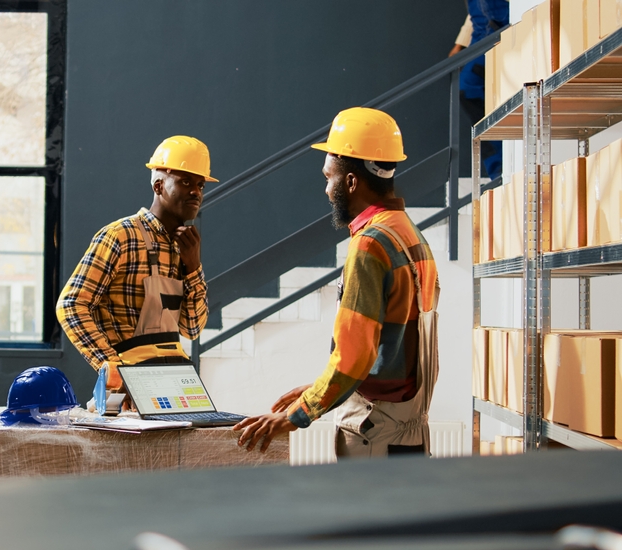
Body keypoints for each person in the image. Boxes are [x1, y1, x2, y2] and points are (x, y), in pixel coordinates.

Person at [234, 108, 441, 458]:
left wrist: (295, 415)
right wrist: (316, 389)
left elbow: (354, 356)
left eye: (329, 177)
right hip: (409, 434)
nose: (327, 189)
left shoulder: (370, 244)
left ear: (350, 182)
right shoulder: (408, 233)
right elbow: (392, 350)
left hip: (373, 436)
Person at [56, 136, 214, 412]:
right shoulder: (120, 236)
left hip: (176, 378)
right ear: (158, 185)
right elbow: (71, 306)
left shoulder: (183, 247)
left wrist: (193, 267)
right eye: (186, 182)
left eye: (200, 185)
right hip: (129, 382)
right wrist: (113, 370)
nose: (196, 192)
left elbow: (192, 328)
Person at [450, 0, 509, 181]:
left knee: (470, 89)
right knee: (469, 92)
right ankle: (498, 168)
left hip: (501, 28)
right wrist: (461, 43)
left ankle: (500, 167)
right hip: (481, 32)